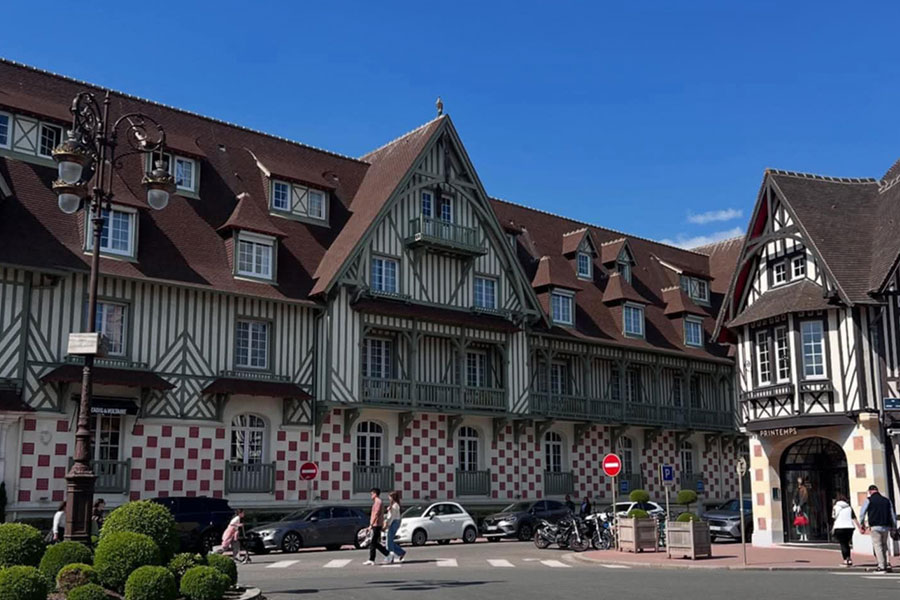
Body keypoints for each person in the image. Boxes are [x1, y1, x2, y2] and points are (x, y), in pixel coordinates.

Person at [859, 484, 897, 573]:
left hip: (875, 526)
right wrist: (894, 526)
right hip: (886, 526)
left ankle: (881, 566)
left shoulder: (869, 500)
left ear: (870, 491)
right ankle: (887, 563)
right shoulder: (887, 500)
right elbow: (892, 514)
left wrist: (862, 524)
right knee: (885, 545)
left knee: (878, 546)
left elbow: (862, 513)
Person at [364, 488, 389, 565]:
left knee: (373, 542)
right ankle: (388, 554)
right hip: (376, 524)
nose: (371, 496)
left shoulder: (378, 502)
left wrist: (371, 525)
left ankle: (372, 559)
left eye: (371, 494)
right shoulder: (377, 502)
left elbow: (376, 514)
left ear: (375, 494)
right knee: (375, 543)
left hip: (376, 524)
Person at [832, 494, 860, 567]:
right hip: (849, 527)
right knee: (847, 544)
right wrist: (859, 527)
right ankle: (849, 558)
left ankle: (846, 559)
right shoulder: (849, 507)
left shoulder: (835, 507)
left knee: (843, 544)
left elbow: (834, 516)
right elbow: (854, 518)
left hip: (839, 527)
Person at [384, 491, 406, 564]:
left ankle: (391, 556)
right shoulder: (394, 505)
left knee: (389, 540)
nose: (389, 498)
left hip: (394, 522)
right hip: (395, 522)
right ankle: (400, 552)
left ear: (392, 497)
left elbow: (392, 517)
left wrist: (387, 524)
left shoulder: (394, 505)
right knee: (390, 540)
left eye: (390, 497)